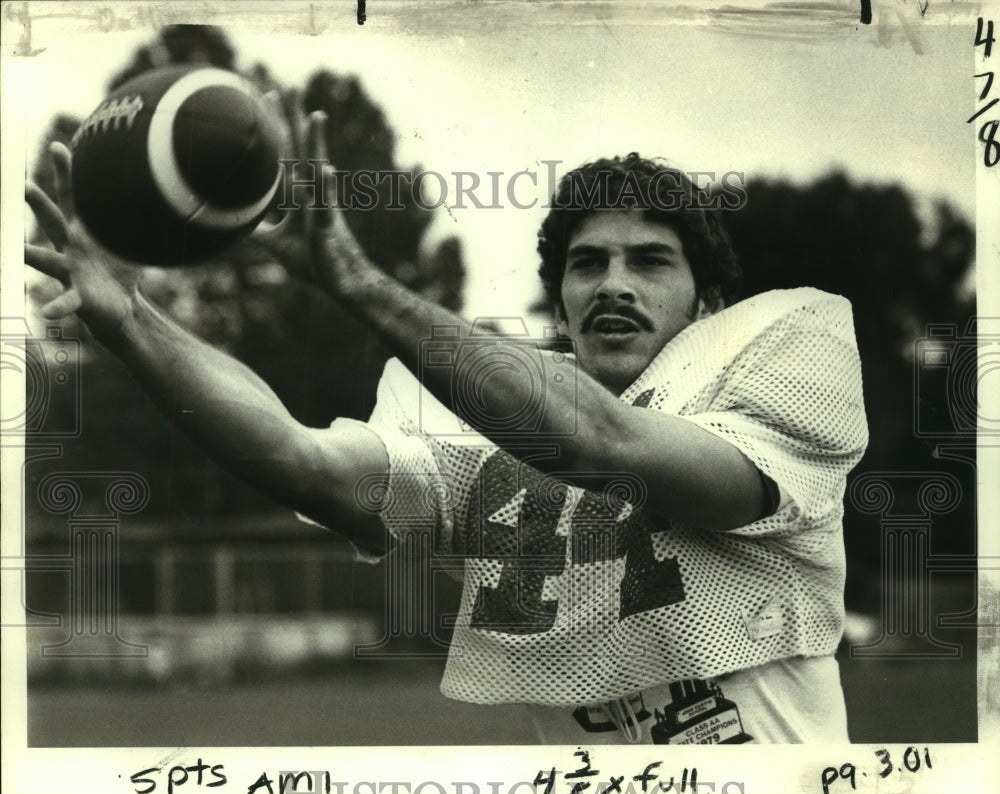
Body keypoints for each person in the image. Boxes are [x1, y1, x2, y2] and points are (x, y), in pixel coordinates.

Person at [24, 109, 868, 745]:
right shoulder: (498, 430)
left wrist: (358, 282)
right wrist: (133, 321)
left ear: (710, 302)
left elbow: (606, 445)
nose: (613, 283)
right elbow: (297, 454)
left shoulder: (785, 355)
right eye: (587, 262)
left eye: (649, 259)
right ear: (561, 300)